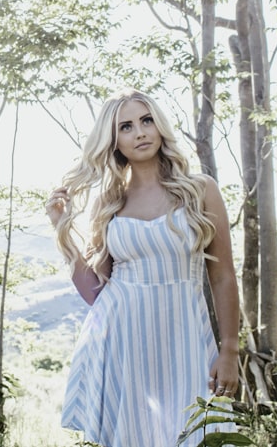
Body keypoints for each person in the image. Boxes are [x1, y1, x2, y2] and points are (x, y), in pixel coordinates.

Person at [45, 88, 240, 447]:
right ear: (114, 140)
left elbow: (223, 275)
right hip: (124, 344)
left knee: (199, 434)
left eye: (146, 120)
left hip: (187, 341)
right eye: (127, 126)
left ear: (159, 126)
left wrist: (229, 349)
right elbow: (95, 293)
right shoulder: (110, 201)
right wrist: (63, 232)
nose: (141, 132)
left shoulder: (200, 190)